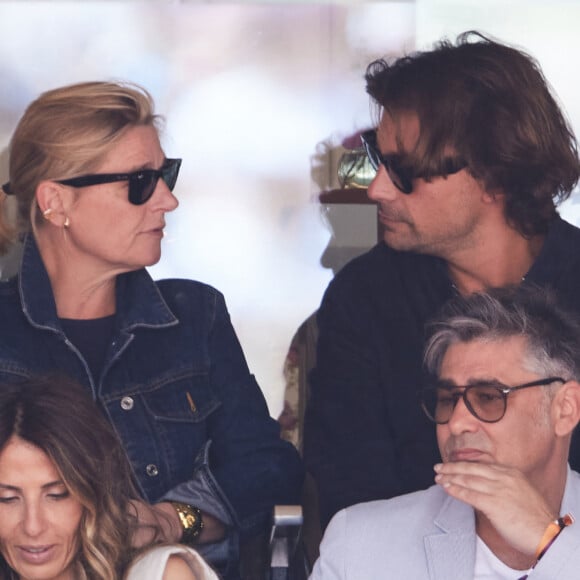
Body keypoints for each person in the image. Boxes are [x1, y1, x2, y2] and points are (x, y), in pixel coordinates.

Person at [0, 81, 303, 578]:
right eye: (140, 182)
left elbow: (269, 471)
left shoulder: (194, 316)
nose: (167, 200)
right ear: (55, 203)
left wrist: (172, 520)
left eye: (166, 175)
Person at [304, 30, 580, 529]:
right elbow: (351, 502)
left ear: (494, 174)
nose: (379, 190)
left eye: (406, 170)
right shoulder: (367, 298)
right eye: (377, 162)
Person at [310, 287, 580, 579]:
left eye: (489, 397)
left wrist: (551, 542)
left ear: (564, 409)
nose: (457, 422)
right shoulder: (359, 544)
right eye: (448, 399)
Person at [0, 374, 219, 580]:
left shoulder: (157, 574)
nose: (33, 526)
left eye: (58, 495)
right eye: (7, 498)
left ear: (93, 493)